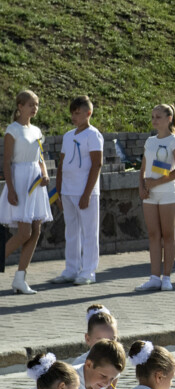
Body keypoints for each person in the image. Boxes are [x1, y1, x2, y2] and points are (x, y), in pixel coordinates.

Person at [1, 90, 51, 295]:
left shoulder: (37, 131)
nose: (34, 108)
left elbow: (40, 158)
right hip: (20, 181)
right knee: (24, 232)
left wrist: (45, 174)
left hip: (35, 182)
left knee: (36, 229)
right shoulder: (12, 130)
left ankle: (20, 278)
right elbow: (6, 162)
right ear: (20, 107)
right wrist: (11, 189)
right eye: (31, 104)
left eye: (36, 104)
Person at [52, 96, 103, 286]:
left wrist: (87, 193)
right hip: (68, 191)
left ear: (88, 113)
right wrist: (59, 192)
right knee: (71, 231)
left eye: (78, 113)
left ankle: (88, 271)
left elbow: (97, 164)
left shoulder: (93, 135)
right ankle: (71, 269)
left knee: (89, 232)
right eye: (72, 113)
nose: (74, 117)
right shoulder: (68, 135)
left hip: (85, 192)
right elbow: (62, 164)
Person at [136, 104, 175, 291]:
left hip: (168, 194)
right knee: (153, 235)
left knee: (168, 235)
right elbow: (143, 168)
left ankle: (167, 277)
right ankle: (154, 277)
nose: (154, 120)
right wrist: (141, 187)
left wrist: (156, 182)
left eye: (158, 117)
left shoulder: (174, 141)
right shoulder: (150, 141)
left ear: (169, 119)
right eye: (153, 116)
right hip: (150, 195)